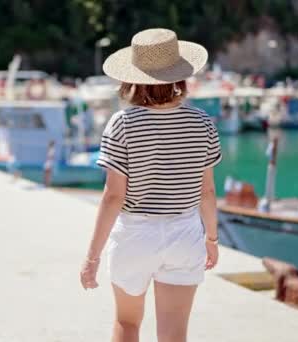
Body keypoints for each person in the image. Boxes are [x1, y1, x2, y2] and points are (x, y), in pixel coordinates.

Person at [80, 28, 222, 341]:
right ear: (180, 75)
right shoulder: (202, 123)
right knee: (174, 333)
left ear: (133, 78)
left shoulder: (123, 124)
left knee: (127, 324)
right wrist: (211, 238)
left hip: (135, 235)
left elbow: (113, 196)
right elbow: (207, 192)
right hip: (185, 233)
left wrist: (92, 257)